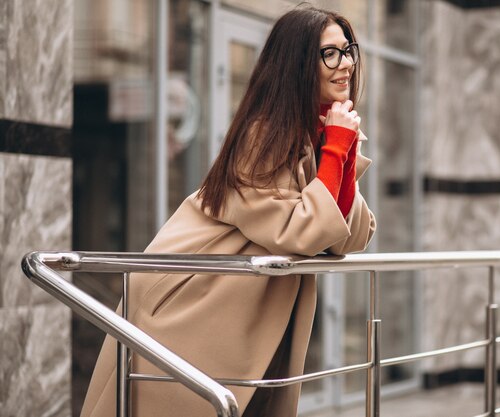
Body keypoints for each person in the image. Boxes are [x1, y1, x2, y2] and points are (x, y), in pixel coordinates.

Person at [80, 5, 376, 417]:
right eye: (330, 53)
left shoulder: (314, 137)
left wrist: (339, 152)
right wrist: (337, 149)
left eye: (348, 51)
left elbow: (348, 237)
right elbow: (304, 232)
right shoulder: (263, 134)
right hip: (192, 304)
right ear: (297, 64)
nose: (345, 64)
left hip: (239, 311)